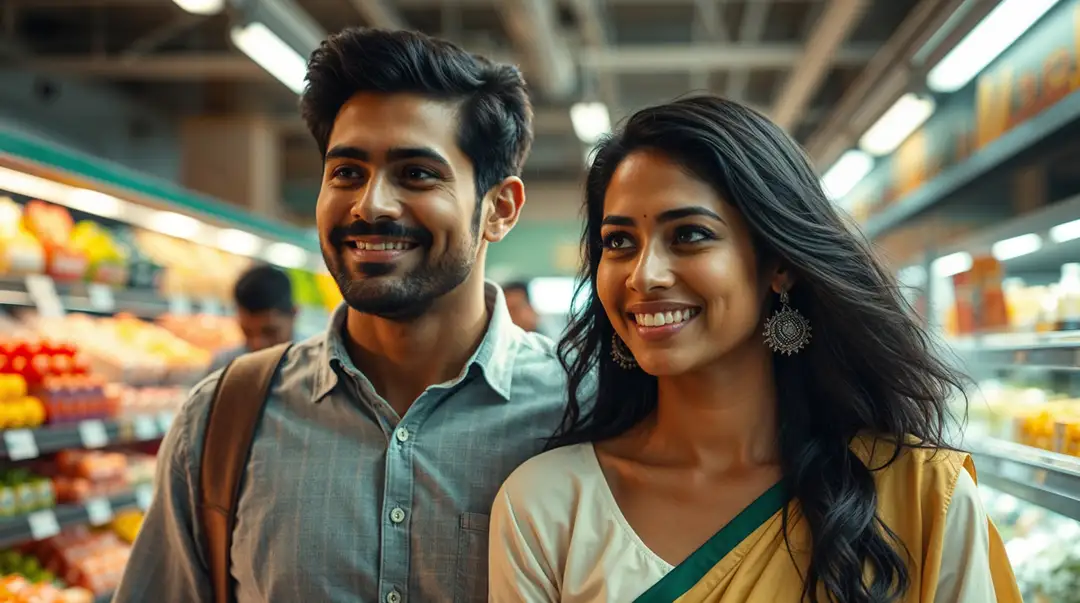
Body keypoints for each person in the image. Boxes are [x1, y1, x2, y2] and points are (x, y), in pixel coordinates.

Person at [488, 96, 1022, 602]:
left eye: (690, 235)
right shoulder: (549, 503)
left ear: (780, 263)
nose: (643, 275)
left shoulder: (920, 494)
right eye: (619, 242)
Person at [114, 27, 570, 603]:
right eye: (347, 172)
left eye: (417, 173)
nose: (371, 204)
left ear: (499, 209)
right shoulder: (223, 421)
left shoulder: (582, 412)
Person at [206, 263, 297, 374]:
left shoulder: (313, 365)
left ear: (294, 314)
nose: (257, 344)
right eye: (247, 332)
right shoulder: (225, 367)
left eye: (269, 332)